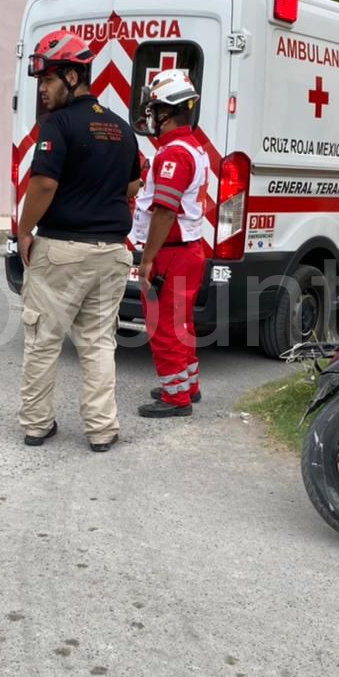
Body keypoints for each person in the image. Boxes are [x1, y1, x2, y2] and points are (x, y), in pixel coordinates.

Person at [16, 29, 141, 453]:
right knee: (99, 343)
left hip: (63, 251)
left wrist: (23, 229)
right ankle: (102, 430)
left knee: (42, 339)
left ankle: (36, 424)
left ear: (72, 76)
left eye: (48, 80)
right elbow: (133, 185)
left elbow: (44, 185)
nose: (43, 90)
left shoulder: (59, 125)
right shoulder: (122, 128)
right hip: (112, 253)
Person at [131, 69, 208, 418]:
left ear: (168, 111)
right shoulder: (194, 148)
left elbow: (164, 211)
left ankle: (174, 398)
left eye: (154, 109)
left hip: (170, 253)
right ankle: (186, 386)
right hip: (188, 250)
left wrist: (147, 260)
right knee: (182, 324)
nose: (151, 117)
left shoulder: (173, 154)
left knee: (164, 327)